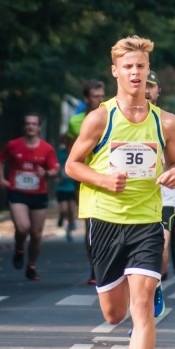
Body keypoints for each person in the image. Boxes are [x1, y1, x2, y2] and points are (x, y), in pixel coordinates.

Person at [65, 35, 175, 349]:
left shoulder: (165, 121)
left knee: (143, 308)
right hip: (104, 221)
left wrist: (173, 174)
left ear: (149, 73)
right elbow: (72, 166)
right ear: (115, 71)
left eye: (141, 67)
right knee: (114, 314)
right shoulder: (100, 118)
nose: (135, 73)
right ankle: (133, 287)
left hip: (146, 221)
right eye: (128, 67)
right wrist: (102, 180)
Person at [0, 113, 60, 281]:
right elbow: (0, 159)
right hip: (17, 192)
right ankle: (19, 248)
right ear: (24, 127)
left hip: (38, 194)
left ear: (39, 127)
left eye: (34, 124)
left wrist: (45, 172)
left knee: (37, 234)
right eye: (27, 124)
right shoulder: (13, 145)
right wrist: (1, 178)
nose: (30, 126)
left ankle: (31, 266)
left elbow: (54, 170)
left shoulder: (46, 149)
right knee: (23, 227)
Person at [144, 69, 175, 280]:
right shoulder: (118, 120)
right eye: (142, 84)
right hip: (132, 198)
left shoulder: (168, 122)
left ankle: (156, 284)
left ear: (158, 90)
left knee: (160, 250)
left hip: (164, 197)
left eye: (150, 86)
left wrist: (173, 169)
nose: (145, 90)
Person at [66, 79, 106, 284]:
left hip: (108, 177)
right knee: (91, 225)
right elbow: (72, 152)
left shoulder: (112, 117)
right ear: (86, 99)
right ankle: (94, 267)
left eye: (102, 95)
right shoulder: (75, 122)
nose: (100, 100)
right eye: (95, 96)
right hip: (86, 179)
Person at [55, 143, 78, 241]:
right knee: (64, 210)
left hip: (71, 188)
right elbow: (55, 166)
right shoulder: (60, 154)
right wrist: (57, 176)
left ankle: (69, 230)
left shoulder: (77, 153)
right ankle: (61, 216)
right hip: (61, 188)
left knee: (72, 211)